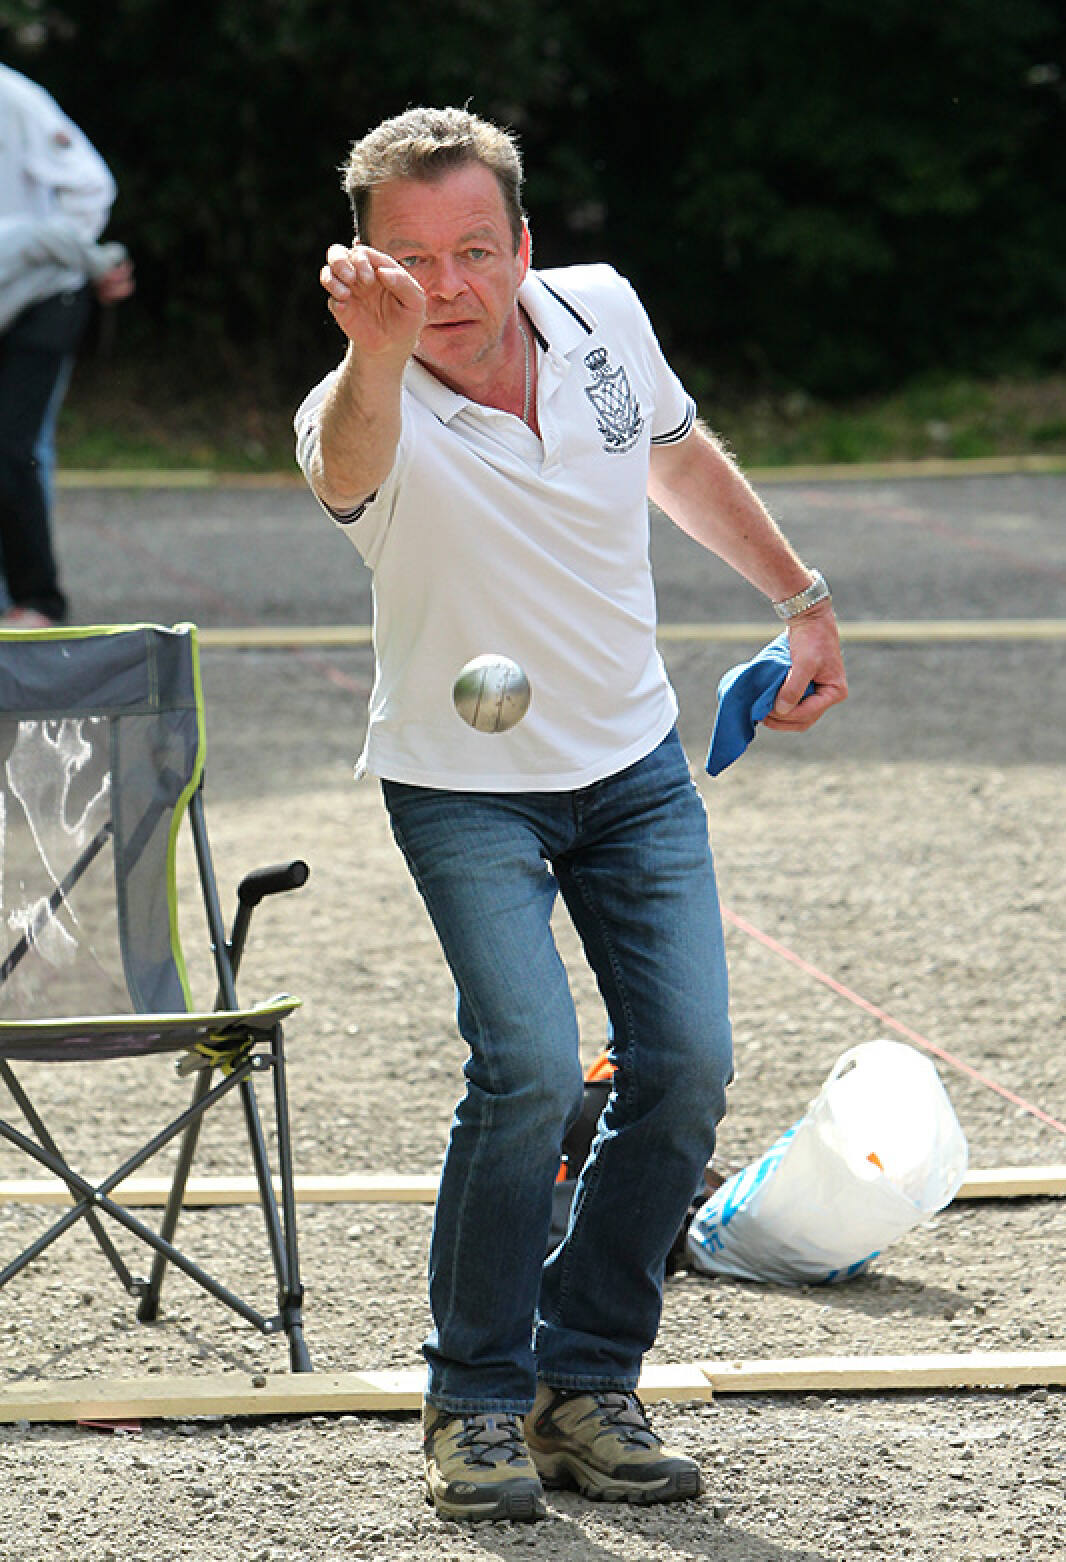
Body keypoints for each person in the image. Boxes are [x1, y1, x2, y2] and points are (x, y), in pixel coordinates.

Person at [295, 106, 847, 1523]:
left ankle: (584, 1378)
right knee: (528, 1066)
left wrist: (799, 599)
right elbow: (347, 469)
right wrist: (374, 349)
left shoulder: (601, 311)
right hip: (461, 786)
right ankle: (474, 1396)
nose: (450, 284)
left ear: (525, 245)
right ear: (367, 266)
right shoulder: (357, 402)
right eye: (412, 259)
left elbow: (676, 456)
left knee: (687, 1066)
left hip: (631, 764)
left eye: (476, 249)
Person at [0, 64, 133, 627]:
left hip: (45, 295)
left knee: (14, 446)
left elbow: (91, 186)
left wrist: (80, 258)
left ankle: (38, 601)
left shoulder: (13, 98)